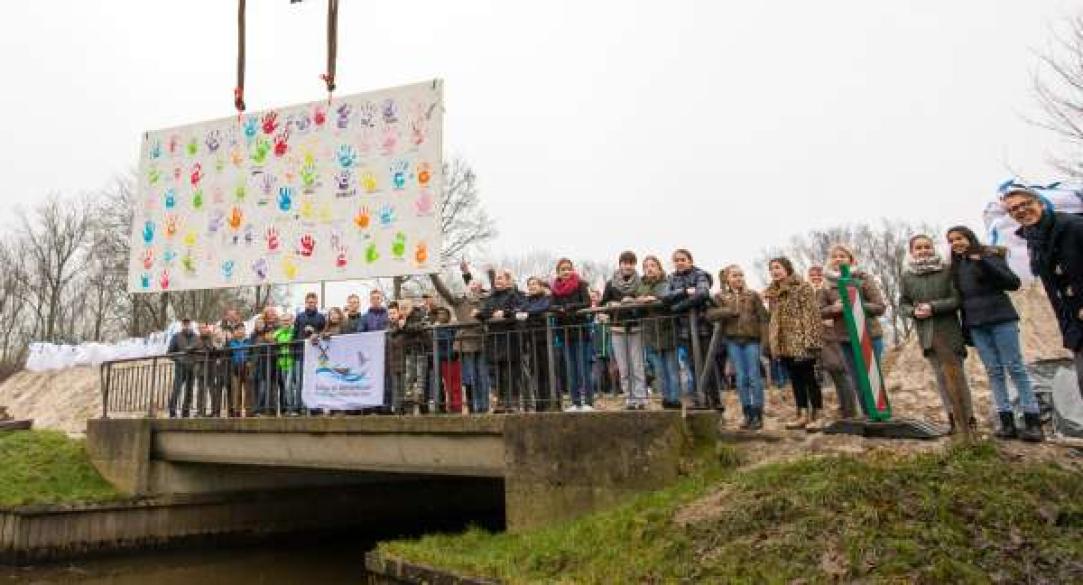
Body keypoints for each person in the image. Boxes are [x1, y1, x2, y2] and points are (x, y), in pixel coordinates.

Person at [947, 225, 1043, 441]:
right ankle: (1006, 422)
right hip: (976, 325)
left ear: (969, 238)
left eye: (959, 238)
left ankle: (1033, 421)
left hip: (1001, 319)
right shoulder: (956, 268)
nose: (956, 243)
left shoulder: (990, 256)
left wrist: (981, 261)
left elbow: (1012, 283)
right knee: (993, 371)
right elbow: (962, 302)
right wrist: (966, 330)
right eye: (951, 241)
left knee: (1015, 368)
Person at [1006, 185, 1083, 399]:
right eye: (1013, 209)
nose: (1020, 211)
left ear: (1040, 203)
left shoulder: (1073, 226)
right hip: (1074, 323)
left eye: (1025, 204)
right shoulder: (1034, 241)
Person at [899, 234, 974, 432]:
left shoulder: (946, 270)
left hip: (949, 331)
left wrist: (933, 307)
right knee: (941, 379)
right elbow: (903, 303)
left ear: (933, 248)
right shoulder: (907, 276)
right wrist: (912, 311)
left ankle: (968, 420)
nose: (923, 251)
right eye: (918, 248)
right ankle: (952, 421)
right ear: (912, 252)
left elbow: (956, 300)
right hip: (927, 334)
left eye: (927, 247)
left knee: (958, 377)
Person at [820, 244, 887, 418]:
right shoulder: (826, 286)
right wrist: (834, 309)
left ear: (851, 259)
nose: (838, 259)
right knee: (857, 379)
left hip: (869, 335)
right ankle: (867, 415)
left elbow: (880, 307)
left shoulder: (863, 278)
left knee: (872, 376)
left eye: (842, 256)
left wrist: (856, 304)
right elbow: (819, 311)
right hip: (844, 337)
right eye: (835, 257)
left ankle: (881, 413)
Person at [706, 265, 769, 429]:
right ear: (727, 278)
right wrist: (727, 311)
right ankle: (747, 413)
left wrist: (765, 342)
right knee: (741, 378)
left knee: (754, 377)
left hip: (752, 340)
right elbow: (710, 314)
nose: (738, 278)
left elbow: (763, 318)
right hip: (733, 341)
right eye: (734, 275)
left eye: (741, 275)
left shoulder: (753, 295)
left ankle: (758, 414)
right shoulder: (720, 296)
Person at [765, 257, 824, 431]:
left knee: (809, 379)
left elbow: (811, 314)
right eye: (772, 268)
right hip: (784, 343)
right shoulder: (773, 293)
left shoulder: (802, 287)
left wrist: (811, 341)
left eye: (778, 267)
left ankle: (817, 416)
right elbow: (773, 320)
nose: (775, 271)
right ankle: (802, 415)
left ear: (787, 269)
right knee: (795, 380)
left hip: (802, 341)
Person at [661, 249, 713, 408]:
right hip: (684, 329)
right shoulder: (671, 278)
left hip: (701, 326)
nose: (679, 262)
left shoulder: (700, 274)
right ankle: (698, 399)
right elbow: (665, 297)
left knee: (707, 365)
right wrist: (684, 292)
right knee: (691, 366)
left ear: (690, 260)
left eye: (683, 259)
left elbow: (702, 293)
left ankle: (713, 400)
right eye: (676, 260)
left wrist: (678, 307)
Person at [601, 251, 649, 410]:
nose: (627, 266)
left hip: (636, 327)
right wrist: (611, 305)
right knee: (623, 366)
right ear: (620, 264)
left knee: (638, 365)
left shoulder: (641, 282)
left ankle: (641, 398)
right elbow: (603, 304)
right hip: (617, 328)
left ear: (634, 265)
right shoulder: (610, 284)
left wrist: (634, 302)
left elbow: (646, 304)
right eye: (625, 262)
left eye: (631, 263)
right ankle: (629, 397)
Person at [809, 264, 856, 419]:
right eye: (812, 275)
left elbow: (830, 310)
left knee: (841, 371)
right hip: (819, 337)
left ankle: (850, 410)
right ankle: (843, 406)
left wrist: (827, 316)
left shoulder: (829, 290)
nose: (815, 277)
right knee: (834, 372)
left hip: (833, 334)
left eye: (818, 274)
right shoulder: (809, 293)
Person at [475, 268, 525, 411]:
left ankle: (514, 403)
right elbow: (487, 313)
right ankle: (501, 403)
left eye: (501, 278)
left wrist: (505, 313)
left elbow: (520, 310)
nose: (498, 281)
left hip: (510, 337)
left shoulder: (514, 295)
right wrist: (479, 314)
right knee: (498, 373)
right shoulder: (491, 297)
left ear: (508, 281)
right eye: (497, 278)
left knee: (510, 372)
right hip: (494, 338)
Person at [550, 259, 594, 412]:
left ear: (573, 270)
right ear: (558, 272)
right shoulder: (555, 289)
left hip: (580, 331)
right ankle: (575, 402)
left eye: (568, 268)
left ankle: (588, 401)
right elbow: (552, 306)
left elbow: (587, 303)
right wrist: (559, 309)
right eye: (563, 269)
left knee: (583, 367)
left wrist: (570, 307)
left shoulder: (581, 284)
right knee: (571, 368)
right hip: (565, 332)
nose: (566, 271)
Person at [638, 255, 678, 408]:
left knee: (672, 369)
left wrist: (651, 298)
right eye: (646, 266)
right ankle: (666, 398)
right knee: (660, 371)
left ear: (659, 267)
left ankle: (675, 399)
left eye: (653, 265)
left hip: (666, 329)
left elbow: (666, 297)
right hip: (650, 331)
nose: (649, 268)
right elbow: (638, 298)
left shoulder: (666, 282)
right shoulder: (641, 285)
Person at [517, 276, 553, 410]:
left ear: (541, 286)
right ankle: (540, 403)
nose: (532, 287)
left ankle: (551, 402)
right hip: (532, 340)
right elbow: (519, 310)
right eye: (529, 284)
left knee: (548, 372)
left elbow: (543, 308)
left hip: (546, 340)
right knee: (536, 372)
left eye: (534, 284)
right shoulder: (526, 300)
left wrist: (527, 313)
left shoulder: (547, 297)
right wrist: (526, 312)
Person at [167, 318, 199, 418]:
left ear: (191, 325)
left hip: (192, 367)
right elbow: (169, 353)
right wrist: (178, 358)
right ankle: (172, 411)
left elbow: (199, 351)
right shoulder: (176, 336)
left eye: (188, 324)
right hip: (180, 367)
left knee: (189, 390)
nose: (187, 326)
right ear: (182, 325)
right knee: (177, 389)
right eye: (185, 324)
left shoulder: (196, 337)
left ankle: (186, 411)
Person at [274, 311, 300, 415]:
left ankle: (293, 408)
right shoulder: (278, 333)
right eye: (284, 321)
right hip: (281, 362)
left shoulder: (294, 331)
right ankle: (288, 408)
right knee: (285, 386)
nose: (286, 322)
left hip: (292, 361)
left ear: (291, 321)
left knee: (290, 385)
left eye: (288, 320)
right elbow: (273, 341)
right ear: (281, 322)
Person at [227, 326, 252, 417]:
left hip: (247, 367)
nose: (240, 331)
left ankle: (248, 410)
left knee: (248, 389)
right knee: (236, 390)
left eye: (242, 329)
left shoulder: (249, 341)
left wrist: (250, 361)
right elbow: (228, 354)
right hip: (235, 367)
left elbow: (252, 352)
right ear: (235, 331)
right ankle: (236, 410)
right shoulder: (231, 342)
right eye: (238, 330)